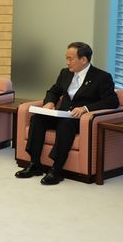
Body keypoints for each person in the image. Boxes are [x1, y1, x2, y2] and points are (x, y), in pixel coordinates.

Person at [15, 42, 119, 185]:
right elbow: (53, 91)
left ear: (84, 60)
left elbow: (112, 101)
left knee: (66, 124)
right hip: (61, 113)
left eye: (71, 59)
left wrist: (86, 108)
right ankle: (35, 164)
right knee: (37, 119)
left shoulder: (102, 77)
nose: (67, 62)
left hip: (79, 119)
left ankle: (57, 170)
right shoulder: (65, 73)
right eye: (66, 58)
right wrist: (50, 102)